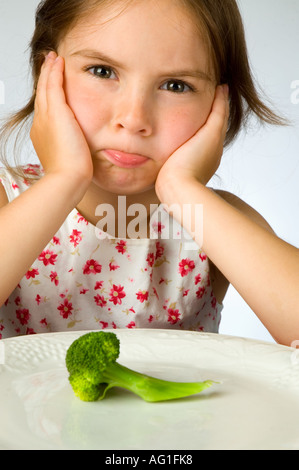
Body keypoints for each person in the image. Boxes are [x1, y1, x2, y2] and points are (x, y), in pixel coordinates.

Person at [0, 0, 297, 346]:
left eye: (175, 85)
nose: (134, 118)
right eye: (102, 71)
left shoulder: (211, 222)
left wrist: (182, 189)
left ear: (221, 104)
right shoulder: (8, 199)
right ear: (46, 74)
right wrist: (63, 179)